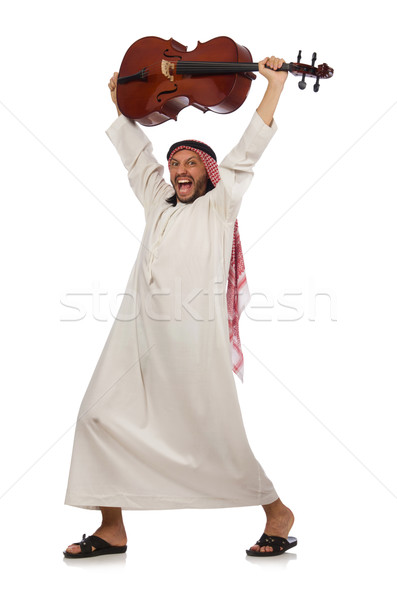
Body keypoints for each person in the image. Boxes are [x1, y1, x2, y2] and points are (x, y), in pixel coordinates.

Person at [63, 56, 296, 558]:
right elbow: (136, 157)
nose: (180, 170)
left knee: (213, 435)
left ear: (210, 176)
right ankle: (111, 528)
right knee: (96, 417)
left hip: (193, 344)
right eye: (176, 163)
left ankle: (277, 511)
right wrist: (121, 102)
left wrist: (274, 85)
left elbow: (247, 152)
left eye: (192, 163)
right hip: (136, 340)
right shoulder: (158, 200)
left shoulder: (219, 204)